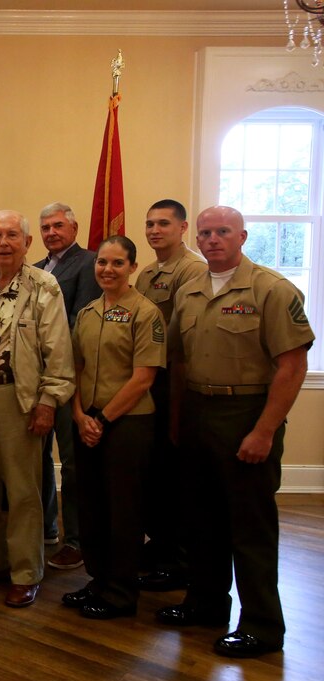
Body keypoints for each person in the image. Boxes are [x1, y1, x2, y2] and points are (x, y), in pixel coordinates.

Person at [160, 205, 313, 658]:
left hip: (246, 412)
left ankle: (262, 626)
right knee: (201, 519)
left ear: (243, 236)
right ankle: (205, 603)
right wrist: (176, 423)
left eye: (222, 231)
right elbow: (179, 361)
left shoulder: (271, 289)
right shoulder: (190, 290)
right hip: (196, 411)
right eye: (205, 233)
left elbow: (293, 364)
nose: (212, 239)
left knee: (250, 528)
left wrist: (265, 430)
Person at [0, 210, 74, 608]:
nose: (3, 242)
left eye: (12, 235)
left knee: (22, 491)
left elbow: (58, 350)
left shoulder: (44, 286)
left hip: (18, 399)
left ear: (27, 243)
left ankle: (25, 572)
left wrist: (47, 402)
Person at [63, 236, 165, 619]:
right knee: (91, 507)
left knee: (123, 511)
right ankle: (98, 579)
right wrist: (78, 416)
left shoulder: (145, 313)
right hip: (87, 421)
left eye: (117, 263)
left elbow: (143, 378)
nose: (107, 269)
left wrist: (101, 420)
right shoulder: (87, 312)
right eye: (102, 262)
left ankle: (121, 593)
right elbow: (75, 369)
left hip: (127, 426)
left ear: (133, 267)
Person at [134, 199, 207, 592]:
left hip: (174, 380)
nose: (154, 230)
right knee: (155, 472)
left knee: (176, 475)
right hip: (151, 379)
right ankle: (159, 544)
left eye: (163, 223)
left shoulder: (192, 269)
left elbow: (177, 339)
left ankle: (178, 559)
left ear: (182, 228)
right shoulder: (146, 273)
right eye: (149, 224)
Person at [34, 202, 101, 570]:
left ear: (74, 228)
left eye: (58, 225)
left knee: (73, 463)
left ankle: (76, 539)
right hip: (37, 377)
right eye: (45, 227)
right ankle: (47, 527)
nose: (51, 233)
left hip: (71, 377)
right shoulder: (40, 269)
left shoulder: (88, 263)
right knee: (38, 457)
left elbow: (80, 321)